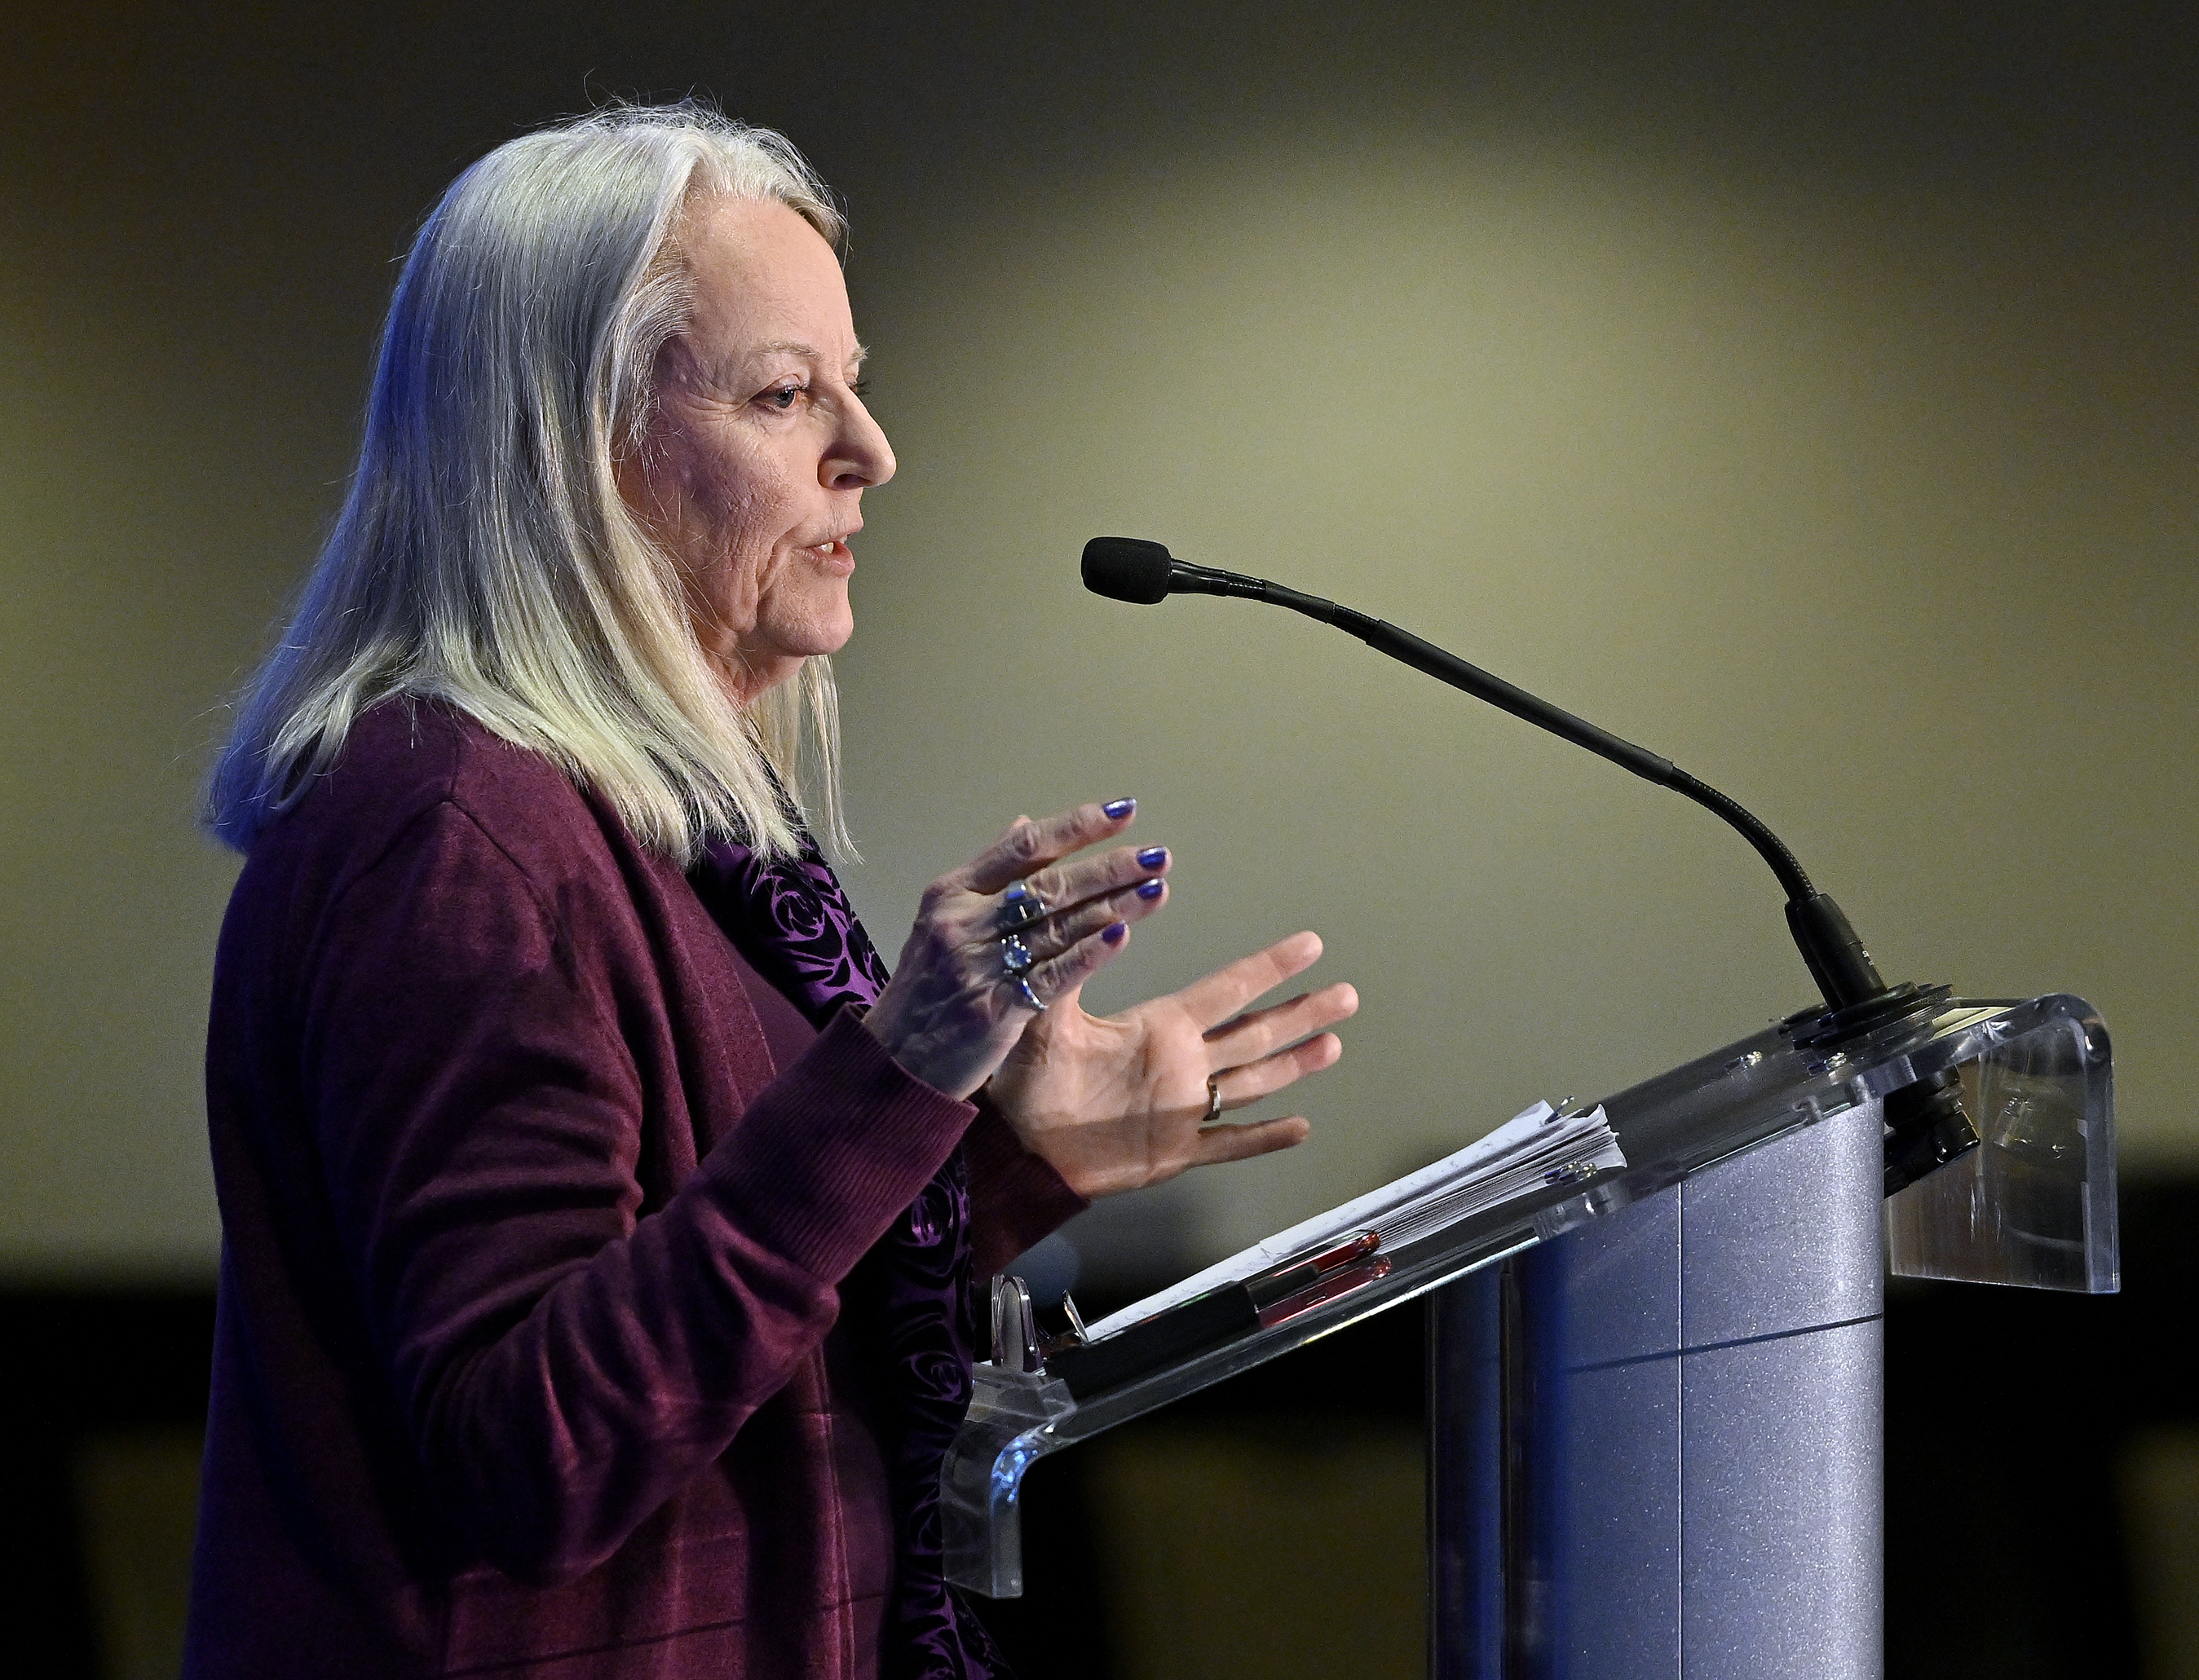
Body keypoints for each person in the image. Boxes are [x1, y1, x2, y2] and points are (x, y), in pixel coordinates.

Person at [185, 104, 1357, 1680]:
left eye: (851, 384)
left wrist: (1003, 1162)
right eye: (786, 392)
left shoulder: (636, 826)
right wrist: (897, 1072)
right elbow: (531, 1451)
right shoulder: (456, 837)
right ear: (578, 447)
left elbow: (733, 1356)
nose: (870, 450)